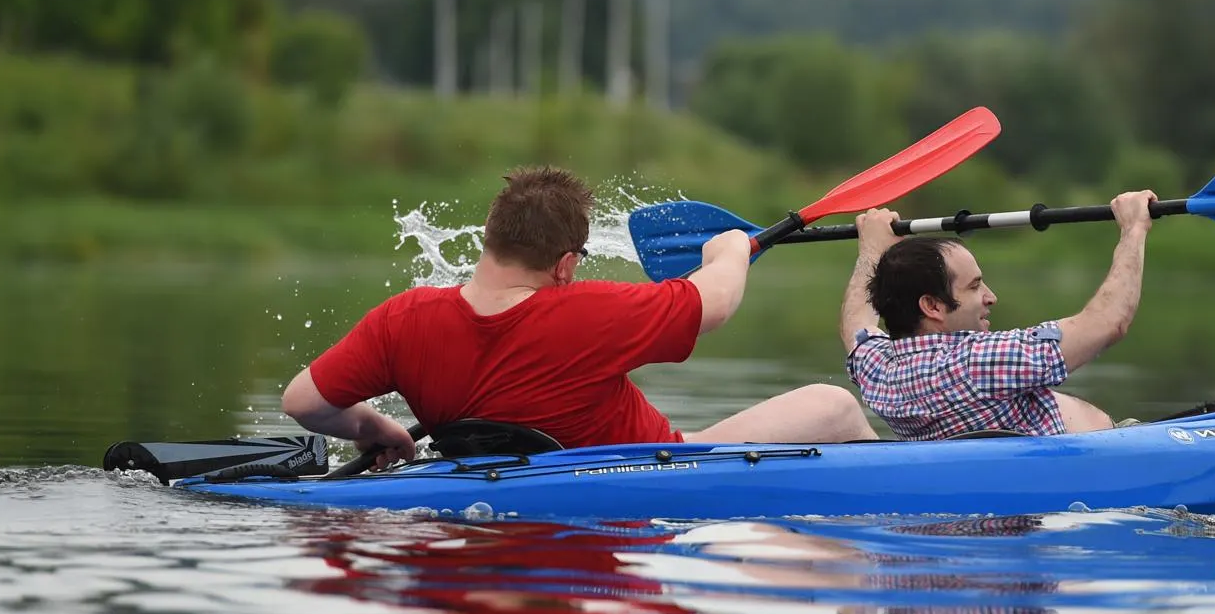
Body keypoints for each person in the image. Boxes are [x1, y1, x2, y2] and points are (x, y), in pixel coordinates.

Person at [282, 165, 875, 467]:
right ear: (566, 264)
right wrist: (727, 252)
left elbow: (303, 404)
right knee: (835, 405)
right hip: (654, 472)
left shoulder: (402, 318)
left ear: (489, 242)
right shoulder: (588, 313)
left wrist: (375, 429)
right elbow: (715, 302)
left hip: (493, 481)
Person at [839, 190, 1157, 440]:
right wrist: (1134, 228)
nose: (991, 297)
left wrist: (871, 250)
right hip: (1107, 456)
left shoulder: (880, 370)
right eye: (975, 286)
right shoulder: (979, 362)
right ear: (932, 306)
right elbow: (1109, 322)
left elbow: (857, 324)